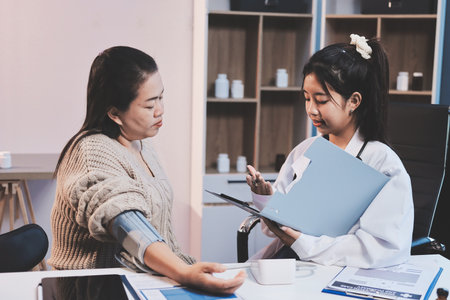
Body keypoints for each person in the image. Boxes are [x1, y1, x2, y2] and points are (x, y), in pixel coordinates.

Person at [48, 46, 245, 294]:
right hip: (89, 290)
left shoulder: (140, 142)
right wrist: (183, 272)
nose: (160, 110)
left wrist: (183, 268)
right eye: (150, 104)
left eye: (161, 97)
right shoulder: (90, 152)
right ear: (114, 113)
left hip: (140, 282)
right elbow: (124, 220)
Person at [246, 34, 414, 268]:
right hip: (292, 263)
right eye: (306, 98)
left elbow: (382, 248)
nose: (311, 110)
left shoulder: (383, 163)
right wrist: (267, 199)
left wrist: (304, 244)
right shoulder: (305, 150)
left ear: (354, 101)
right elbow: (273, 228)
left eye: (321, 100)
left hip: (338, 272)